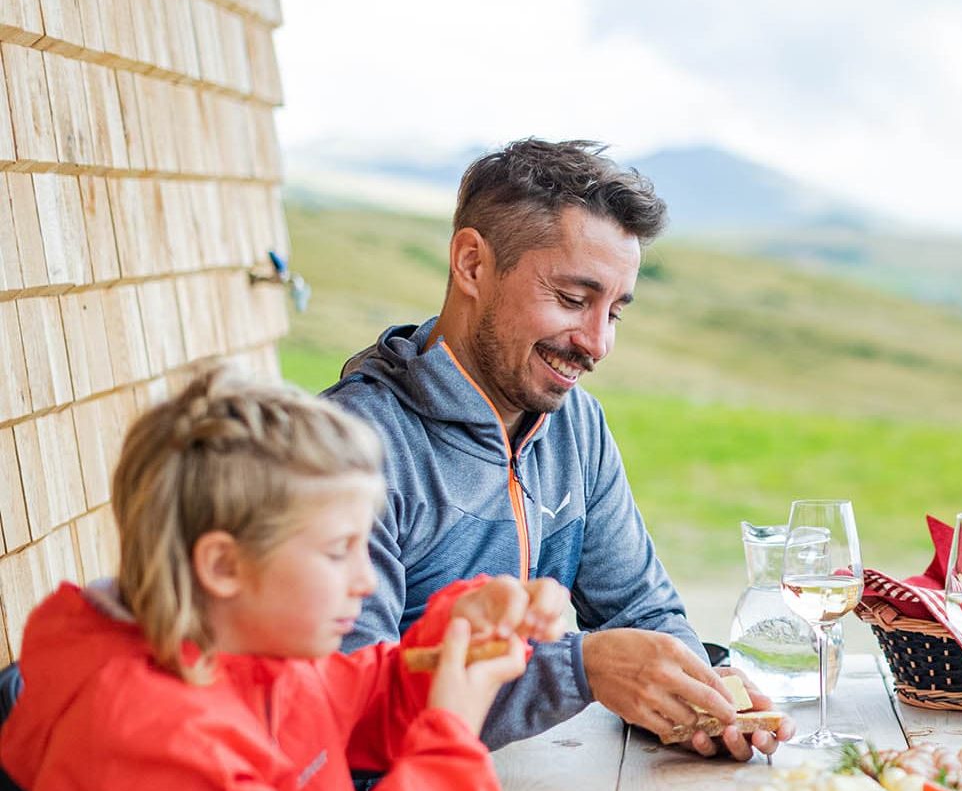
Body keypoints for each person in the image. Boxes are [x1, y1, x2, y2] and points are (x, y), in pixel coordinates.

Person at [0, 368, 570, 791]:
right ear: (224, 566)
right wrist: (449, 736)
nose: (366, 581)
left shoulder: (260, 658)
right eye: (337, 551)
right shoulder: (151, 732)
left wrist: (460, 631)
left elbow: (373, 696)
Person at [322, 138, 786, 757]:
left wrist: (698, 693)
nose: (597, 344)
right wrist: (582, 669)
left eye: (615, 311)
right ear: (472, 265)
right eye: (572, 299)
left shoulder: (577, 427)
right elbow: (343, 707)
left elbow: (641, 612)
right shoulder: (347, 450)